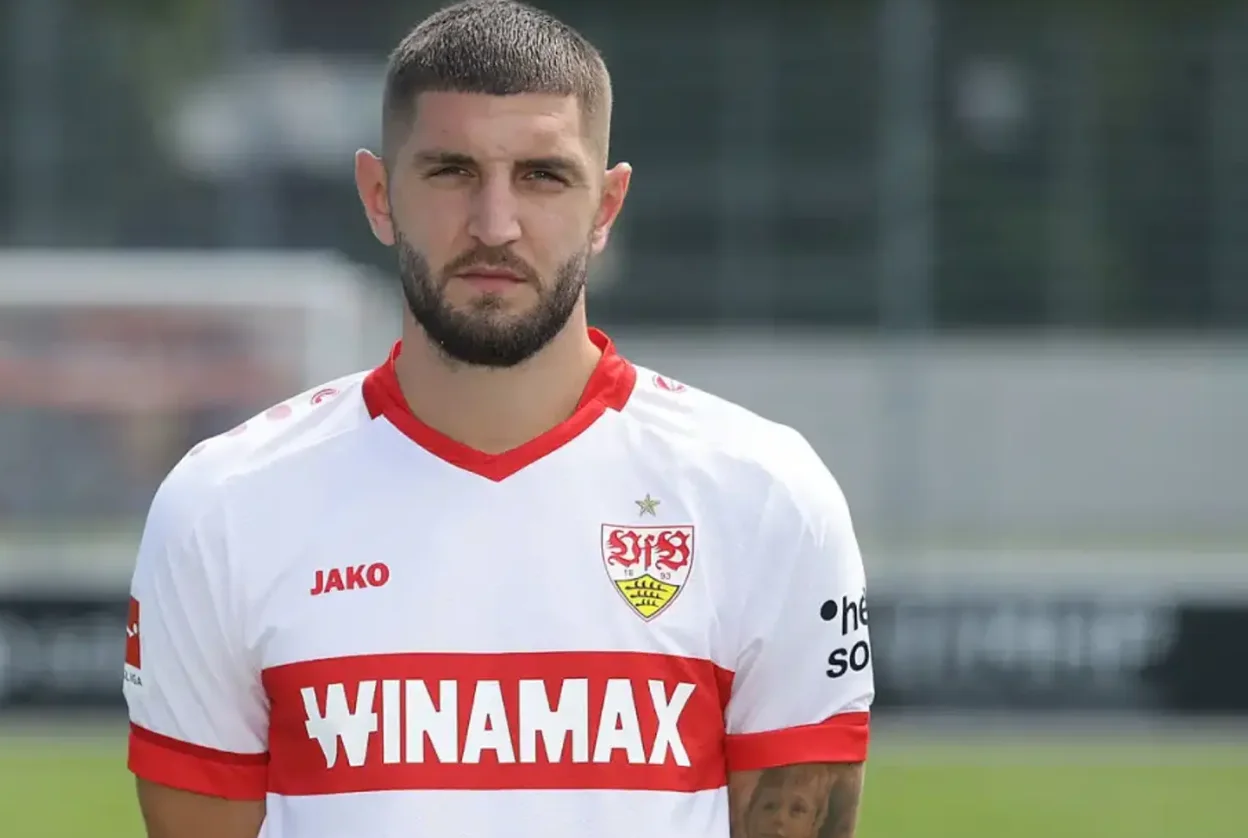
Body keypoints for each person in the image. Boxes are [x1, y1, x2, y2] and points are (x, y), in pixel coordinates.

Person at [122, 2, 873, 837]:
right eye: (451, 171)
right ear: (379, 196)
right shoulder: (226, 505)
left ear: (606, 206)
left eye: (542, 176)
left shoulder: (764, 496)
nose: (494, 224)